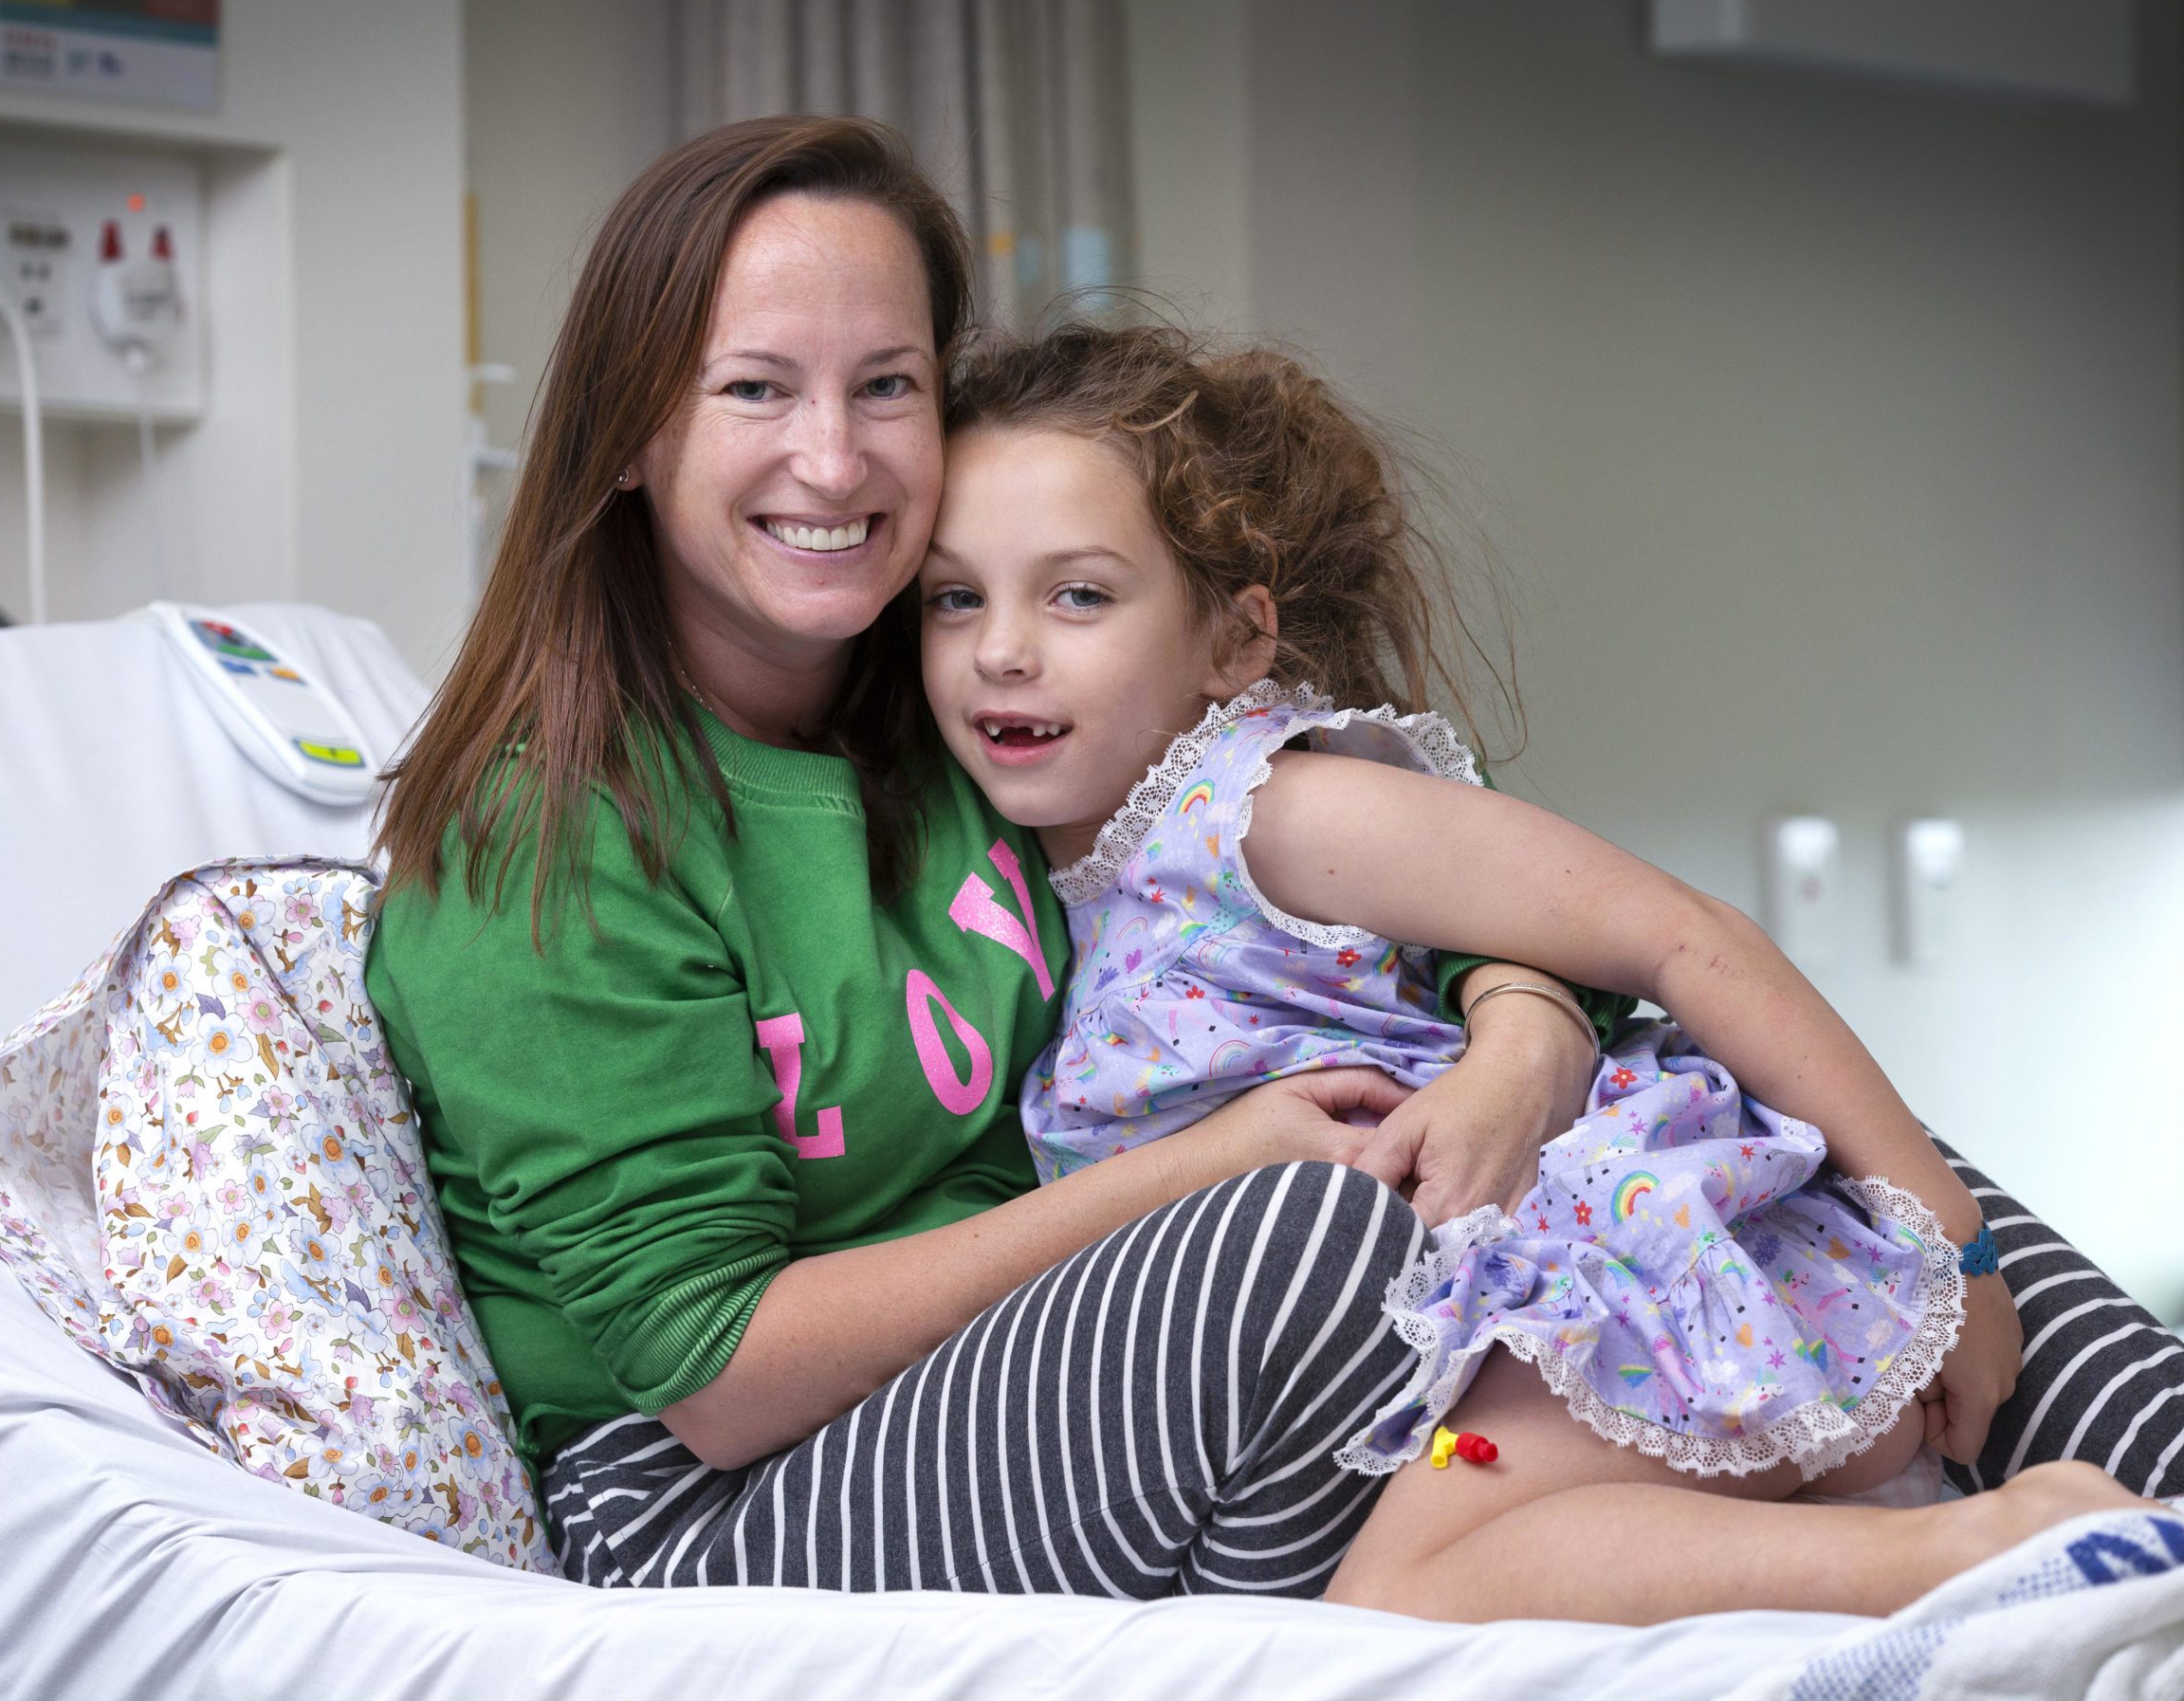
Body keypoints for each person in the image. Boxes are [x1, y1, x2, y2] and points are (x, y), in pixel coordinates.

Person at [366, 115, 1606, 1596]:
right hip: (716, 1504)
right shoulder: (554, 839)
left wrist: (1523, 1034)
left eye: (885, 385)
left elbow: (1326, 855)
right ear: (632, 433)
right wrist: (1201, 1170)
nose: (832, 459)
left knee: (1721, 1156)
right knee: (1320, 1239)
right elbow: (714, 1370)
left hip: (1056, 1362)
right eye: (755, 388)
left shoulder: (977, 686)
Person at [914, 320, 2184, 1626]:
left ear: (1235, 641)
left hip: (1622, 1277)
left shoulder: (1267, 811)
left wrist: (1961, 1246)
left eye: (1077, 593)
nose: (1002, 649)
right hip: (1501, 1345)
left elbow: (1683, 934)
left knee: (1404, 1592)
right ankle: (1969, 1543)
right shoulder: (1076, 883)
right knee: (1431, 1559)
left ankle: (1987, 1548)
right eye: (954, 596)